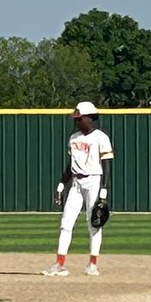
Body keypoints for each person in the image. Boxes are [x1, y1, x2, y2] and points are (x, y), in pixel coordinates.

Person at [43, 100, 115, 277]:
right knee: (66, 222)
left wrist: (104, 190)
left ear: (89, 118)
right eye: (76, 119)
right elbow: (71, 164)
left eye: (79, 118)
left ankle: (93, 263)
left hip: (93, 181)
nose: (77, 122)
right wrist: (61, 184)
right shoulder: (74, 138)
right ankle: (59, 264)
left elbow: (106, 165)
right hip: (76, 182)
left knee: (94, 222)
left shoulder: (101, 138)